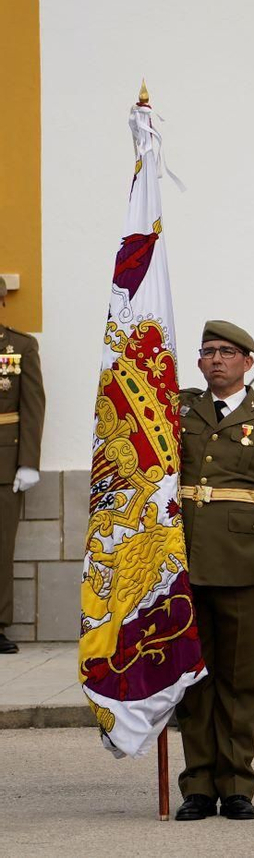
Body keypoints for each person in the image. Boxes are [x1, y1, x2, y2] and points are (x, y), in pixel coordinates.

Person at [173, 321, 254, 822]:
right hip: (185, 563)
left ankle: (236, 783)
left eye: (227, 352)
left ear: (249, 361)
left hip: (245, 568)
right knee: (192, 679)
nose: (216, 360)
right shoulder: (180, 412)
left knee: (239, 681)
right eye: (208, 352)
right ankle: (199, 784)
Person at [0, 277, 45, 655]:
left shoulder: (20, 346)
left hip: (3, 461)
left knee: (0, 547)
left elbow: (32, 405)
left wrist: (28, 462)